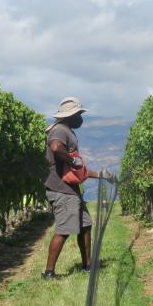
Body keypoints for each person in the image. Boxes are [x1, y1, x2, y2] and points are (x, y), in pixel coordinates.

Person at [42, 97, 100, 279]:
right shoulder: (60, 130)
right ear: (71, 115)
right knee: (64, 230)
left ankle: (87, 267)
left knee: (85, 226)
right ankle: (49, 273)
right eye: (79, 115)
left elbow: (77, 170)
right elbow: (56, 146)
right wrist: (72, 159)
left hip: (70, 189)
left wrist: (100, 175)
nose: (81, 119)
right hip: (61, 190)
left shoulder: (66, 130)